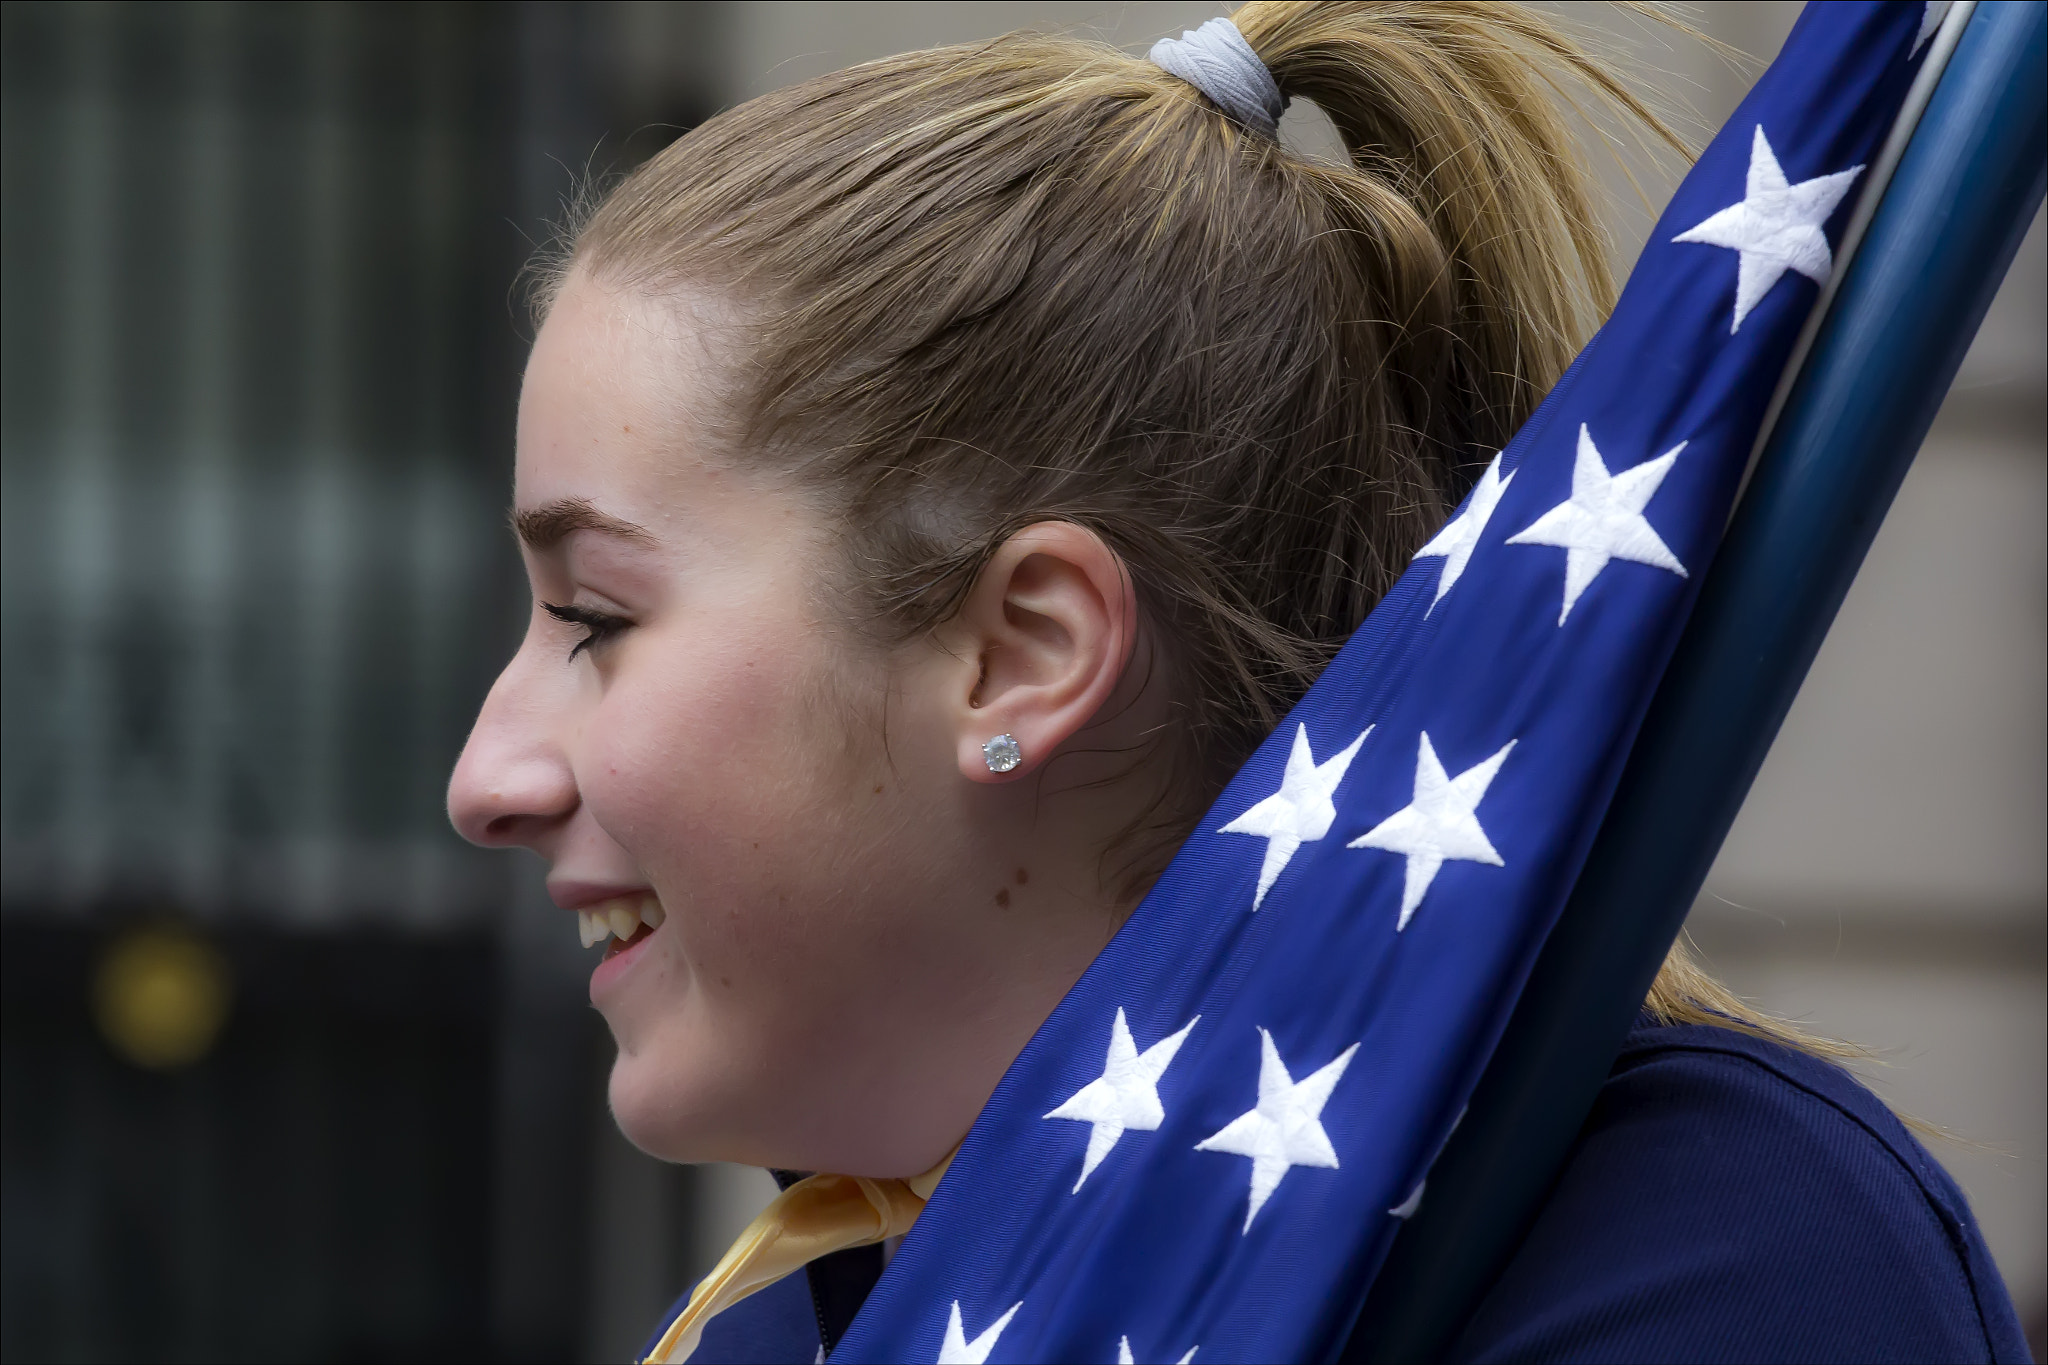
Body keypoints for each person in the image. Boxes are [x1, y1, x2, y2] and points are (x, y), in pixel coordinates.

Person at [446, 3, 2031, 1360]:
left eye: (595, 618)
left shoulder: (1705, 1246)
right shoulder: (798, 1317)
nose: (487, 778)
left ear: (1025, 653)